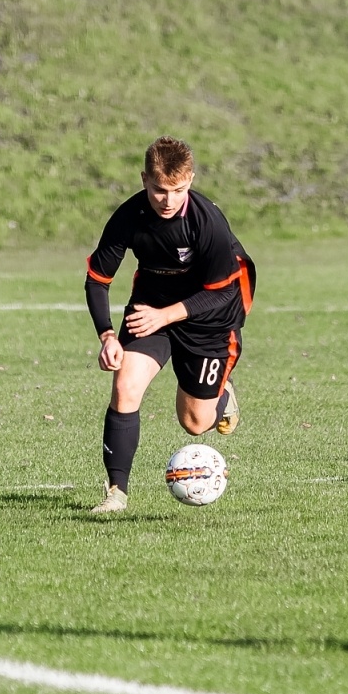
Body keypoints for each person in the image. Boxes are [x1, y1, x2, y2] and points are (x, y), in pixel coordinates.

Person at [84, 138, 256, 513]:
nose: (167, 199)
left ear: (190, 180)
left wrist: (166, 315)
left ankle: (222, 396)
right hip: (151, 310)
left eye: (177, 190)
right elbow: (98, 278)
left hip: (209, 321)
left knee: (194, 423)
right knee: (125, 386)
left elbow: (221, 295)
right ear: (145, 179)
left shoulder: (208, 222)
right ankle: (116, 493)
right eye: (159, 189)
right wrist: (107, 335)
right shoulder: (129, 217)